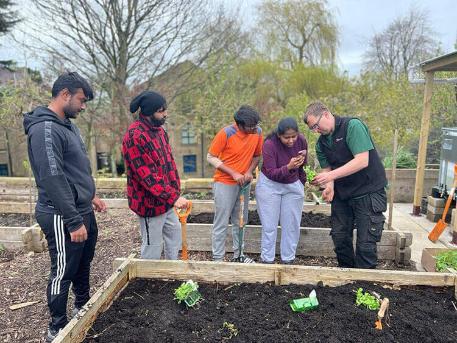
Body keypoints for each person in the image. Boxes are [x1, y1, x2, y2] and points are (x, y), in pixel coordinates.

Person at [23, 72, 107, 342]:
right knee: (63, 269)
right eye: (81, 100)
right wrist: (72, 220)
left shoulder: (68, 126)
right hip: (60, 213)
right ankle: (57, 326)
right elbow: (52, 177)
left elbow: (74, 168)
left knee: (84, 261)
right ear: (65, 95)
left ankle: (83, 306)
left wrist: (90, 195)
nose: (83, 106)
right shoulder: (44, 129)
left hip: (81, 208)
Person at [303, 101, 387, 269]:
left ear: (326, 114)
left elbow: (362, 161)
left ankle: (365, 285)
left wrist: (330, 175)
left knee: (365, 244)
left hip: (368, 192)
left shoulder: (352, 126)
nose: (316, 131)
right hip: (343, 196)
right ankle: (347, 279)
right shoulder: (321, 143)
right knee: (340, 238)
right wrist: (328, 186)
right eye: (312, 129)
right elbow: (328, 170)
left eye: (316, 126)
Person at [122, 90, 188, 260]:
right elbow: (148, 177)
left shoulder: (159, 131)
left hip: (166, 201)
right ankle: (149, 280)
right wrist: (173, 197)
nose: (165, 114)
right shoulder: (135, 136)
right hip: (149, 205)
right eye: (161, 111)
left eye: (165, 109)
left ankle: (172, 275)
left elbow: (169, 164)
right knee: (152, 247)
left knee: (174, 239)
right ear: (148, 112)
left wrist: (174, 194)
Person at [207, 105, 263, 262]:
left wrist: (249, 171)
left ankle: (239, 255)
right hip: (224, 183)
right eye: (250, 126)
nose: (254, 129)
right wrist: (233, 173)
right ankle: (217, 258)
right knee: (221, 221)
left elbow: (257, 156)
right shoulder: (226, 133)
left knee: (240, 220)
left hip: (243, 183)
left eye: (255, 125)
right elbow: (211, 157)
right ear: (239, 124)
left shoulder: (257, 133)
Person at [255, 117, 307, 264]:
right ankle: (267, 260)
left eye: (293, 137)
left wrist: (302, 181)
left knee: (291, 224)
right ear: (279, 135)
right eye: (286, 138)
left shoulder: (302, 141)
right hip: (270, 186)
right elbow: (272, 173)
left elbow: (304, 164)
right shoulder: (269, 145)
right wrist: (289, 167)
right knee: (269, 226)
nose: (291, 141)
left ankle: (288, 259)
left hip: (292, 185)